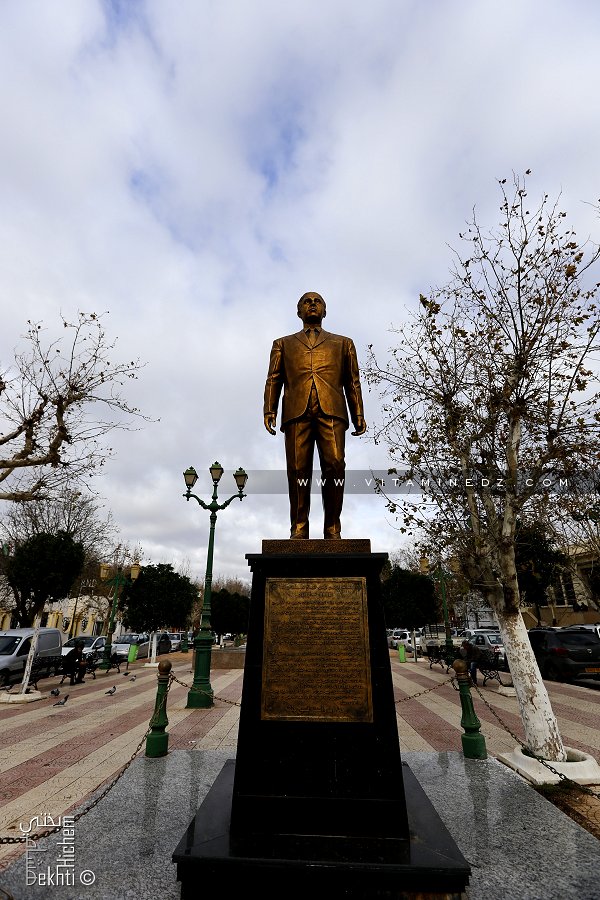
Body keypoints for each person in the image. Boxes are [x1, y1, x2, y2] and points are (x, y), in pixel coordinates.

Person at [264, 292, 366, 539]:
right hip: (296, 412)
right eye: (306, 302)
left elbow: (352, 382)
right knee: (298, 470)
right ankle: (299, 528)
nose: (312, 304)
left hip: (331, 411)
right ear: (299, 312)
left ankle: (332, 527)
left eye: (317, 301)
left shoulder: (343, 343)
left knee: (335, 466)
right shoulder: (283, 343)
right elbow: (274, 379)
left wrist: (358, 414)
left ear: (324, 311)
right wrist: (270, 409)